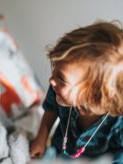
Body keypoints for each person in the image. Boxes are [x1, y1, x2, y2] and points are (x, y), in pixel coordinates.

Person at [30, 21, 123, 162]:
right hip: (57, 152)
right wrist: (41, 138)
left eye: (62, 78)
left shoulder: (118, 126)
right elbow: (51, 110)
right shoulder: (59, 91)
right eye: (54, 69)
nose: (51, 80)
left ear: (95, 94)